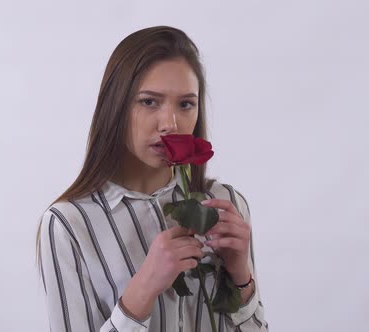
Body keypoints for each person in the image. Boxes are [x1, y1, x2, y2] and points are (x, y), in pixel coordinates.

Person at [36, 26, 268, 331]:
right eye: (149, 101)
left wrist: (241, 278)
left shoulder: (225, 204)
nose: (170, 123)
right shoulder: (69, 225)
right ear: (116, 107)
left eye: (186, 104)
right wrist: (142, 290)